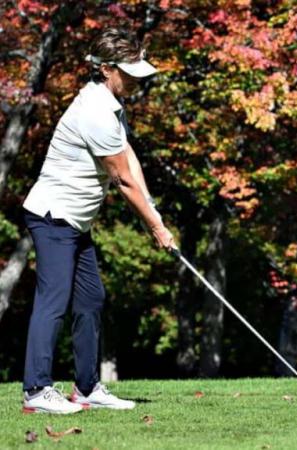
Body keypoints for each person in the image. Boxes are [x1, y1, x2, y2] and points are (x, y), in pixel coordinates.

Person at [21, 28, 176, 414]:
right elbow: (122, 180)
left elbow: (129, 158)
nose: (136, 78)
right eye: (129, 71)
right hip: (53, 216)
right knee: (53, 301)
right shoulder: (94, 111)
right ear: (106, 69)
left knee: (91, 299)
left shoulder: (108, 103)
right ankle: (36, 390)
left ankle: (87, 387)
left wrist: (152, 211)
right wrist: (155, 228)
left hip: (76, 222)